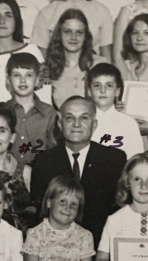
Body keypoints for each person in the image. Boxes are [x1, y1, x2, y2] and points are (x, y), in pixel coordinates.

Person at [30, 96, 128, 245]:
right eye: (69, 118)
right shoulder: (44, 161)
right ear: (60, 124)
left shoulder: (114, 160)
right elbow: (41, 212)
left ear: (94, 124)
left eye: (84, 118)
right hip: (55, 246)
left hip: (101, 247)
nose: (76, 124)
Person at [0, 0, 46, 105]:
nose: (2, 21)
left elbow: (44, 95)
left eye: (8, 15)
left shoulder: (32, 52)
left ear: (16, 21)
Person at [0, 53, 56, 165]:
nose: (22, 80)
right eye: (16, 75)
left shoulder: (49, 113)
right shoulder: (1, 112)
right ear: (8, 79)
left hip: (39, 176)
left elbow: (54, 153)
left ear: (37, 80)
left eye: (29, 75)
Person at [87, 63, 143, 158]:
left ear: (117, 91)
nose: (103, 91)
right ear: (89, 91)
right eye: (97, 85)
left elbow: (135, 160)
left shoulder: (129, 124)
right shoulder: (84, 121)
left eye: (109, 85)